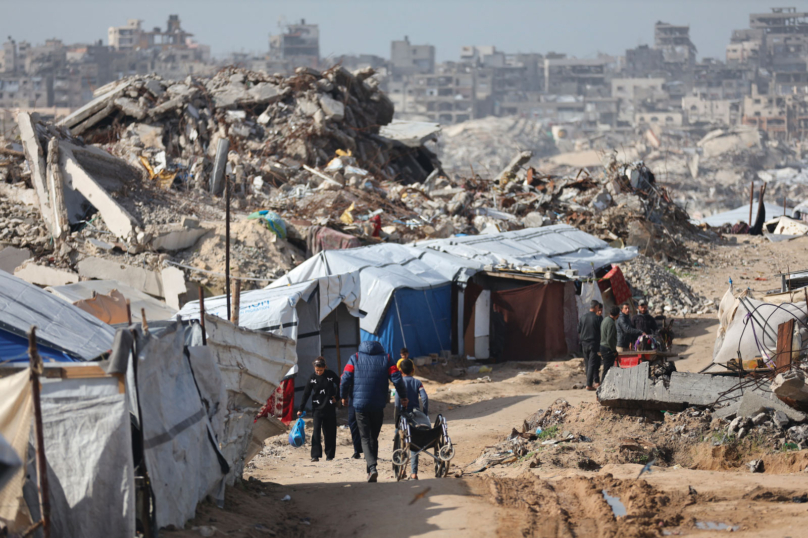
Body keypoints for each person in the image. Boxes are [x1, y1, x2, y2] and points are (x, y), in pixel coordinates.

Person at [341, 341, 408, 483]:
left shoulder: (355, 357)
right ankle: (371, 469)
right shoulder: (387, 358)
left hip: (359, 404)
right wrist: (403, 397)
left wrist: (343, 396)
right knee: (373, 437)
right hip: (378, 404)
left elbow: (345, 378)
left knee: (365, 437)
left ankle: (372, 468)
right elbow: (397, 378)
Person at [298, 357, 340, 462]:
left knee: (330, 432)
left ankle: (330, 455)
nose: (319, 372)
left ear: (324, 368)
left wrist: (337, 397)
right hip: (317, 409)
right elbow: (306, 393)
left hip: (329, 408)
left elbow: (341, 384)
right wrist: (300, 408)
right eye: (317, 370)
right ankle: (315, 455)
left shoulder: (330, 374)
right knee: (316, 432)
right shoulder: (312, 378)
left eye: (321, 370)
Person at [394, 359, 429, 480]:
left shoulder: (399, 383)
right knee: (414, 440)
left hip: (404, 415)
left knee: (400, 438)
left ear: (400, 371)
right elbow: (424, 398)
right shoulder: (417, 382)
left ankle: (401, 469)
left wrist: (397, 418)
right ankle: (414, 473)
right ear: (413, 370)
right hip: (416, 415)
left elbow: (397, 402)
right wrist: (424, 413)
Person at [577, 300, 602, 391]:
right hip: (593, 343)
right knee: (591, 364)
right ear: (595, 307)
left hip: (584, 344)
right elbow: (601, 331)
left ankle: (589, 383)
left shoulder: (583, 317)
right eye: (598, 307)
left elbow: (578, 330)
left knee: (588, 364)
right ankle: (588, 384)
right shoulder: (597, 318)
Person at [600, 306, 620, 384]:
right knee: (607, 370)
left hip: (603, 347)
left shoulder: (605, 319)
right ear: (617, 315)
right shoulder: (611, 323)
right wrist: (614, 350)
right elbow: (610, 339)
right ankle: (602, 389)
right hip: (607, 349)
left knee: (606, 369)